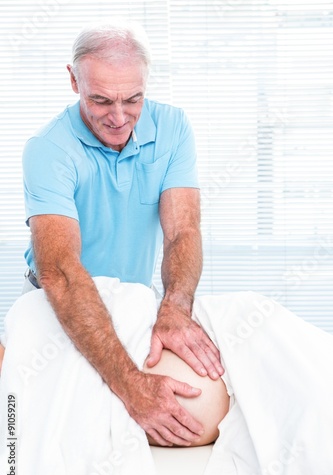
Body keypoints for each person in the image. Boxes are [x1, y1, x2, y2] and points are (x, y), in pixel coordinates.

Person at [0, 19, 224, 447]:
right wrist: (131, 387)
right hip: (61, 300)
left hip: (135, 303)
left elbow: (183, 230)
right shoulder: (49, 149)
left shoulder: (173, 128)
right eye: (100, 100)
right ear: (73, 80)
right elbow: (61, 273)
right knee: (30, 429)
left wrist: (175, 306)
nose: (119, 118)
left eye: (133, 99)